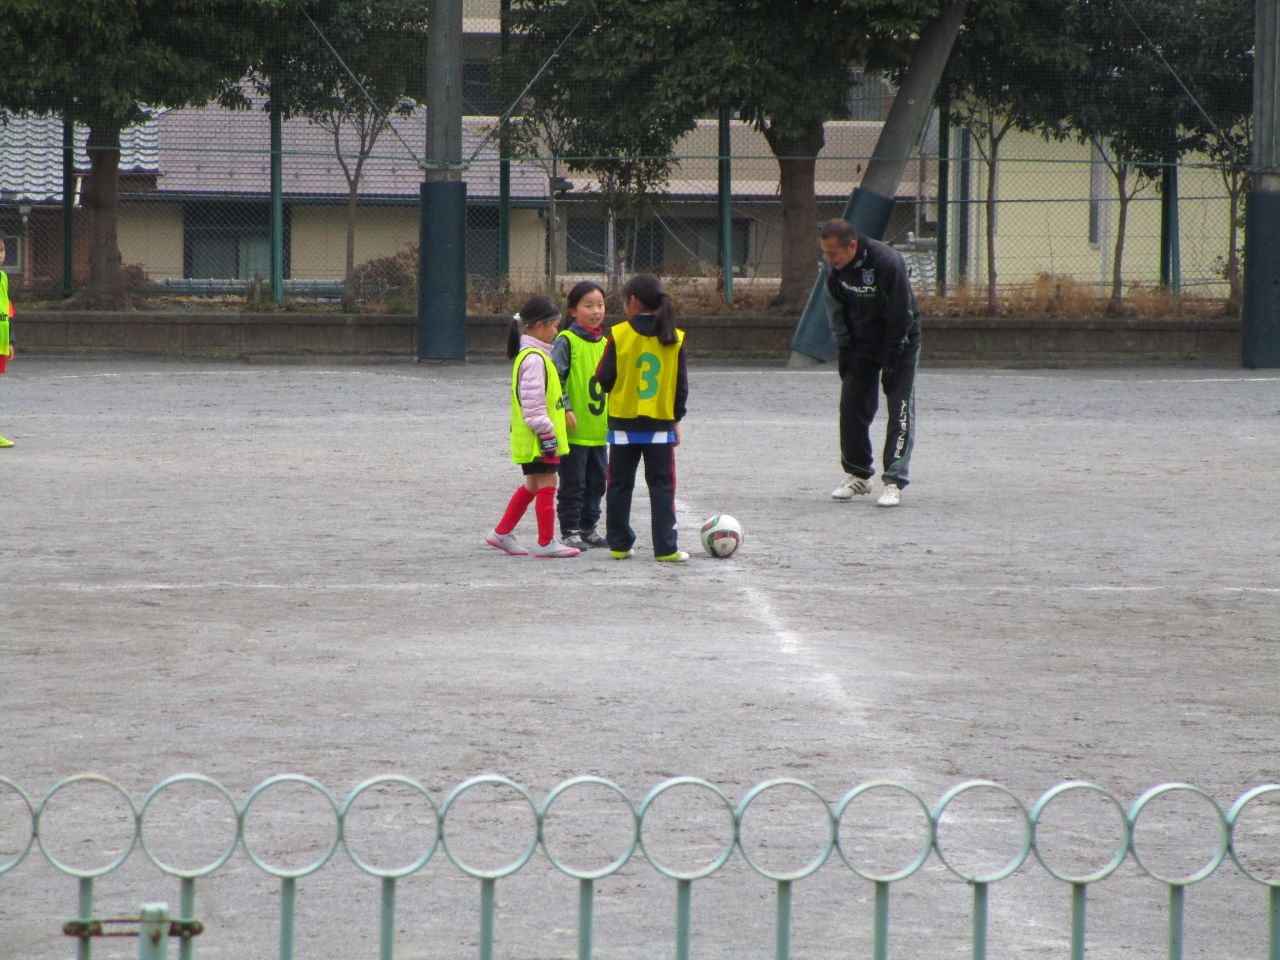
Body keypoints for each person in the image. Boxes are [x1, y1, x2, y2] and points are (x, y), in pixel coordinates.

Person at [819, 218, 920, 508]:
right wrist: (844, 347)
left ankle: (894, 481)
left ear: (851, 246)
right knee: (851, 404)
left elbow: (902, 312)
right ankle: (858, 473)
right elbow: (834, 307)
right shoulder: (833, 267)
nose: (829, 259)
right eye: (825, 253)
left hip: (900, 340)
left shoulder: (888, 262)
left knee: (899, 406)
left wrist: (892, 357)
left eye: (833, 253)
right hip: (861, 341)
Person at [595, 274, 689, 562]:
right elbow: (681, 386)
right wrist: (676, 418)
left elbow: (603, 377)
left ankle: (619, 544)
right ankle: (666, 548)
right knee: (662, 486)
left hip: (623, 423)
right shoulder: (675, 337)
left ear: (632, 301)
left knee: (619, 485)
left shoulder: (619, 333)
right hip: (660, 426)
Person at [485, 296, 581, 559]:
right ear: (538, 326)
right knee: (548, 483)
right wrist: (547, 433)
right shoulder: (535, 359)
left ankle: (501, 532)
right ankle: (545, 541)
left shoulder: (535, 356)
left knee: (532, 485)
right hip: (540, 439)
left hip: (534, 439)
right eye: (554, 326)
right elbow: (533, 403)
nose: (557, 331)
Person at [551, 280, 610, 550]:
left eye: (600, 305)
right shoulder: (566, 341)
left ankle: (589, 527)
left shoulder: (607, 343)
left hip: (599, 430)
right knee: (573, 482)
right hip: (575, 429)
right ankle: (570, 529)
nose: (596, 311)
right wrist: (566, 408)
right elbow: (555, 379)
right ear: (574, 310)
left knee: (597, 482)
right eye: (588, 305)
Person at [0, 237, 13, 449]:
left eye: (1, 250)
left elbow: (8, 310)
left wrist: (10, 340)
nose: (0, 254)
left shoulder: (3, 278)